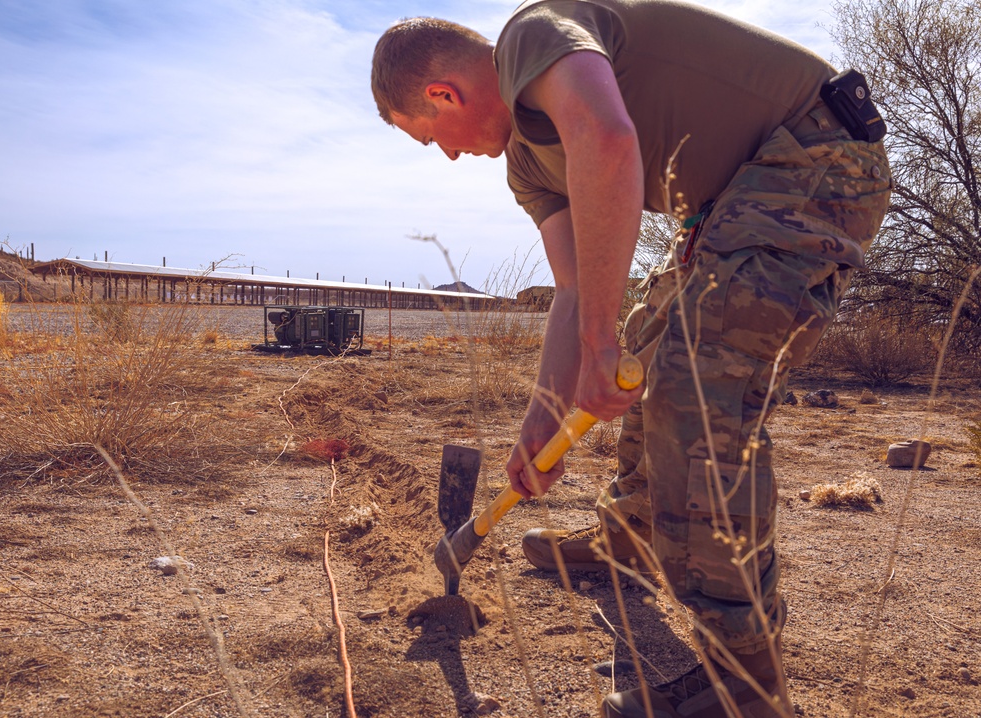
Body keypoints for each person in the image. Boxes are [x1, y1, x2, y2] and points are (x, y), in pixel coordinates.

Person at [371, 2, 890, 716]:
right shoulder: (527, 166)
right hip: (730, 205)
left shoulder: (532, 34)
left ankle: (747, 680)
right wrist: (543, 417)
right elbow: (577, 287)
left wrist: (597, 346)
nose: (450, 155)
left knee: (695, 394)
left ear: (443, 95)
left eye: (431, 139)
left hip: (816, 152)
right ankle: (630, 539)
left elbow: (608, 138)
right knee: (647, 357)